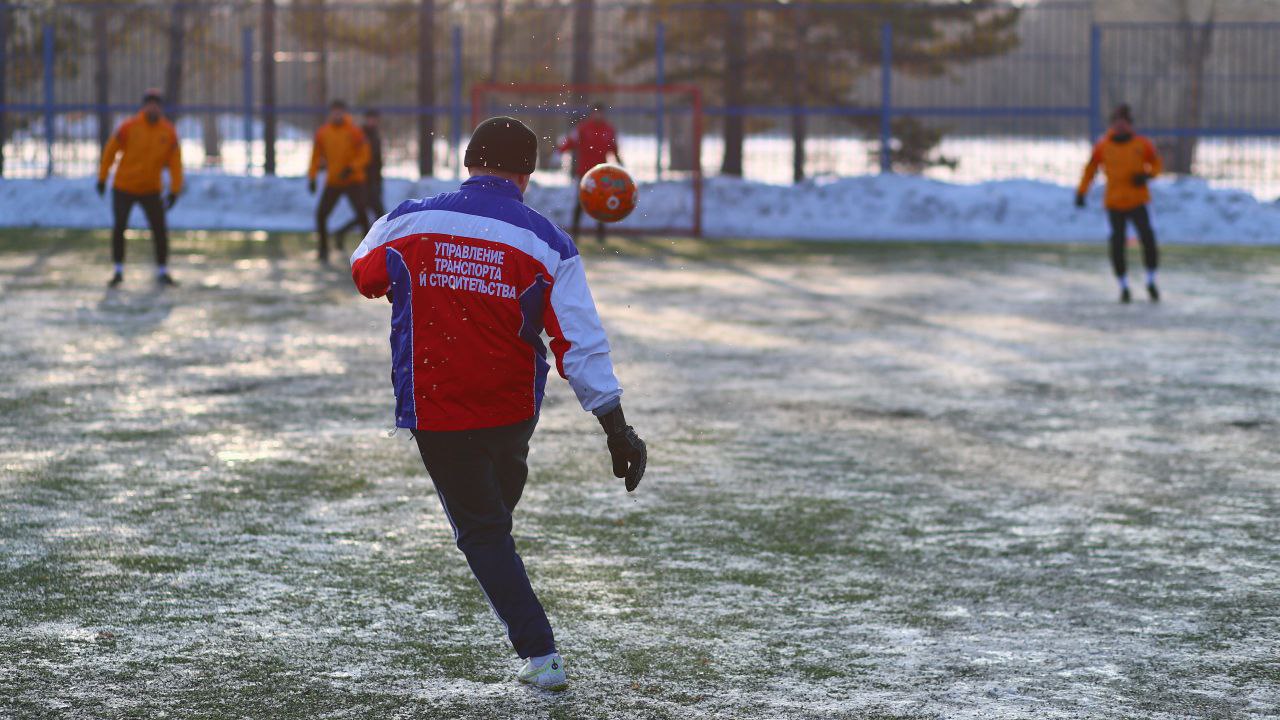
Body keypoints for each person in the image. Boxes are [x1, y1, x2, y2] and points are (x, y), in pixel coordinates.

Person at [350, 116, 647, 691]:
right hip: (513, 410)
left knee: (485, 531)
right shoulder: (548, 241)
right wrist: (616, 426)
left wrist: (418, 277)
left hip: (436, 404)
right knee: (491, 519)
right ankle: (511, 591)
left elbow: (364, 273)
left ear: (468, 163)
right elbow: (579, 341)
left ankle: (541, 655)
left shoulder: (408, 220)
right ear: (526, 176)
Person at [1076, 104, 1164, 303]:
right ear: (1112, 125)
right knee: (1117, 244)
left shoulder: (1142, 144)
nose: (1120, 126)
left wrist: (1147, 175)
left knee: (1148, 239)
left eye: (1124, 123)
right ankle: (1123, 285)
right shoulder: (1103, 146)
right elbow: (1090, 170)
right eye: (1117, 123)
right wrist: (1081, 192)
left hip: (1138, 200)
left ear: (1130, 124)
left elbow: (1157, 164)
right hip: (1114, 203)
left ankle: (1151, 279)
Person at [97, 90, 182, 287]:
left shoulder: (168, 132)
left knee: (159, 229)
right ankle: (118, 270)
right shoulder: (129, 127)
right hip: (124, 186)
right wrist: (102, 178)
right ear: (144, 107)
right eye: (149, 104)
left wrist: (175, 190)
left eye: (156, 104)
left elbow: (176, 163)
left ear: (160, 108)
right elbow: (110, 151)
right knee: (120, 226)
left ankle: (162, 270)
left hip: (151, 189)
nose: (153, 108)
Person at [308, 100, 371, 263]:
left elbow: (365, 154)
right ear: (331, 113)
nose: (337, 115)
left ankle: (370, 252)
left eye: (340, 112)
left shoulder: (354, 132)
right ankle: (323, 250)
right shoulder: (323, 133)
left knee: (362, 214)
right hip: (334, 181)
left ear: (344, 113)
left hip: (353, 180)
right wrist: (312, 176)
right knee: (321, 214)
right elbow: (315, 156)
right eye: (335, 111)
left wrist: (352, 168)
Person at [558, 103, 622, 245]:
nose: (598, 115)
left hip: (601, 174)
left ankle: (600, 235)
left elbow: (614, 149)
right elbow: (570, 142)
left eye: (601, 112)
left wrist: (620, 165)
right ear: (592, 114)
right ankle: (575, 233)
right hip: (585, 173)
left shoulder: (609, 130)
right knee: (581, 201)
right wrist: (559, 152)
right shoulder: (583, 128)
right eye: (596, 112)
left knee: (601, 203)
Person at [336, 108, 385, 241]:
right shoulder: (360, 134)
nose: (372, 121)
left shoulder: (376, 136)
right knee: (369, 214)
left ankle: (342, 233)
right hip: (362, 181)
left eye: (374, 119)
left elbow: (378, 161)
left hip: (373, 180)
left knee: (373, 213)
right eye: (370, 119)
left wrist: (379, 181)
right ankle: (344, 234)